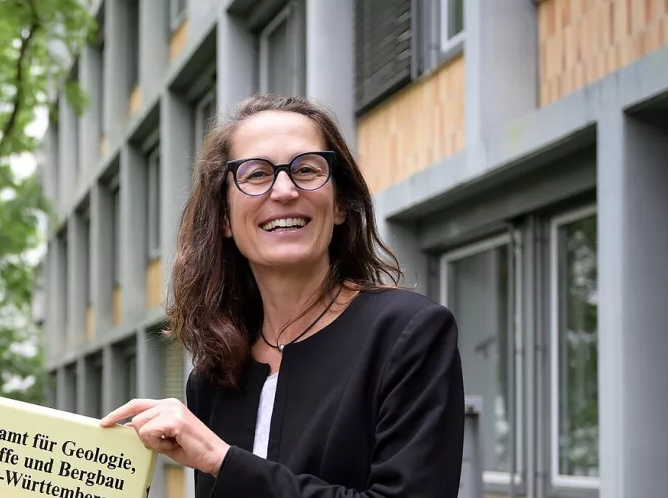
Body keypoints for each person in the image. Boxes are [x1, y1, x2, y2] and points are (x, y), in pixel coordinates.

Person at [99, 94, 464, 496]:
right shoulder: (214, 375)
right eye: (256, 174)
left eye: (307, 169)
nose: (285, 190)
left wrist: (223, 460)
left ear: (340, 204)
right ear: (224, 218)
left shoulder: (407, 334)